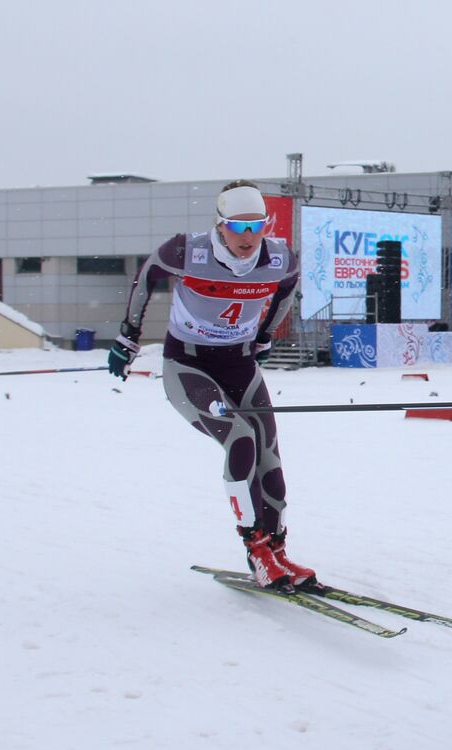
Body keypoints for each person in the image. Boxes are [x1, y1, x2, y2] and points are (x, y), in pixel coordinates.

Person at [107, 181, 312, 588]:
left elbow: (288, 289)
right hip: (189, 366)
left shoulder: (278, 259)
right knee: (240, 440)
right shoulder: (188, 251)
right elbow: (147, 275)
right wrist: (128, 336)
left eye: (256, 226)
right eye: (238, 228)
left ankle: (278, 550)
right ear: (220, 226)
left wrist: (266, 335)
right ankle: (255, 549)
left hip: (239, 364)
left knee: (268, 453)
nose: (248, 238)